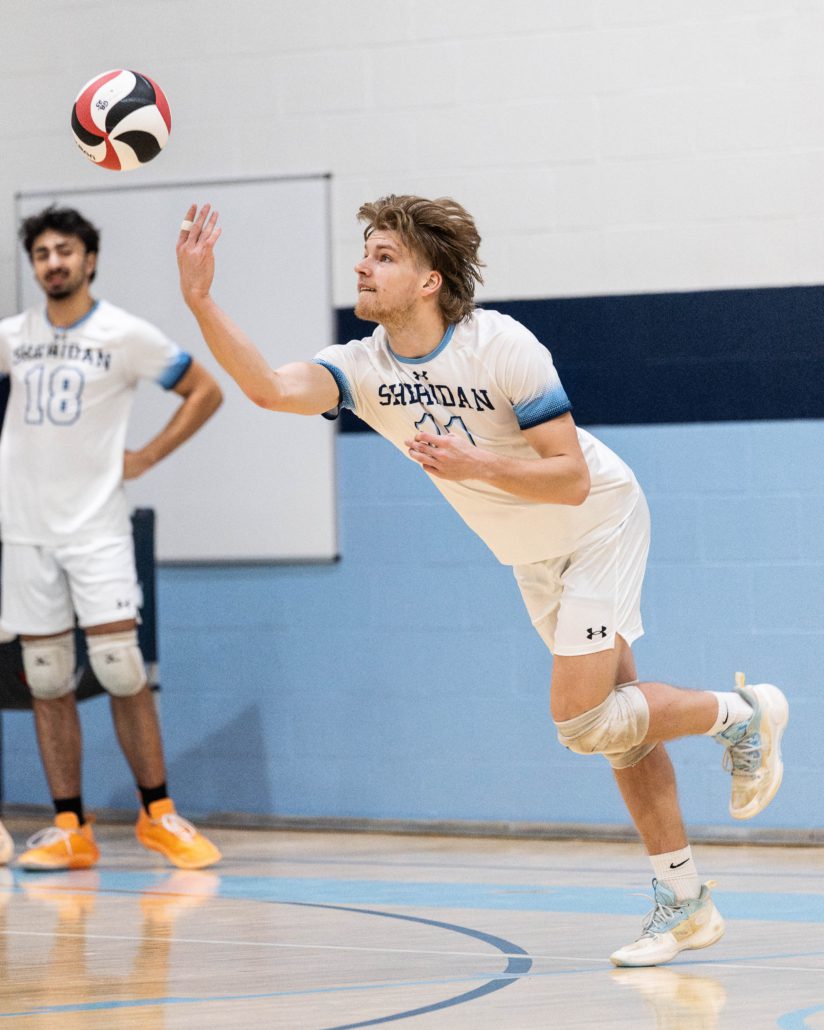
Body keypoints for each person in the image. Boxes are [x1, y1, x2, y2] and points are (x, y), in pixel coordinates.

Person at [175, 196, 789, 966]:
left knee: (582, 723)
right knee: (621, 730)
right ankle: (686, 901)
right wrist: (200, 299)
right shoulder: (363, 369)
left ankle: (743, 712)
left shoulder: (500, 346)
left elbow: (567, 479)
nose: (362, 265)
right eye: (365, 251)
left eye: (385, 255)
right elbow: (267, 387)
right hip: (531, 556)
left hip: (597, 522)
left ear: (431, 279)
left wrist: (476, 464)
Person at [0, 206, 223, 872]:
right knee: (45, 678)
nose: (53, 263)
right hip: (25, 532)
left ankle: (158, 813)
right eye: (41, 253)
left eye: (64, 250)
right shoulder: (13, 336)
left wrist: (146, 457)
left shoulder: (124, 334)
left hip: (96, 528)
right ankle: (71, 828)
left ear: (89, 259)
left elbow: (204, 391)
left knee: (122, 668)